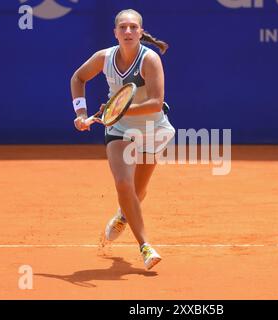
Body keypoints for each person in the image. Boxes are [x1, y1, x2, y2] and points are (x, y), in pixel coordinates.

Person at [70, 9, 175, 270]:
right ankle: (145, 246)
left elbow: (155, 103)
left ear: (140, 31)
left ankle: (123, 215)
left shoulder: (149, 60)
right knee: (123, 183)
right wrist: (81, 113)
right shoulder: (104, 58)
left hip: (152, 128)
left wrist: (117, 109)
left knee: (137, 193)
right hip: (119, 129)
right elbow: (78, 78)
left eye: (133, 27)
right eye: (123, 27)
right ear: (115, 32)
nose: (128, 31)